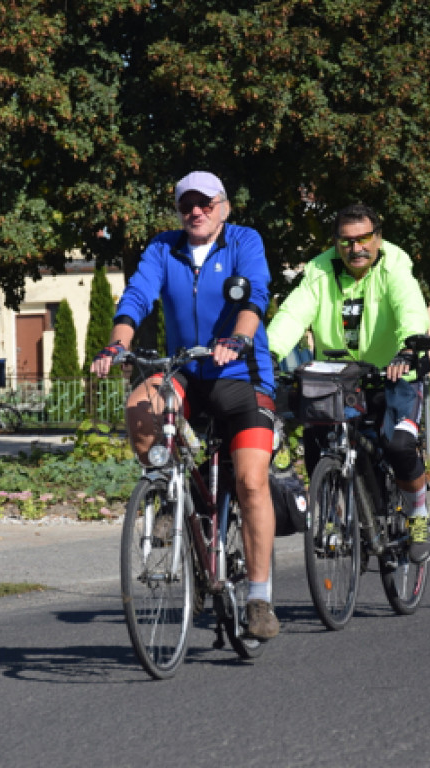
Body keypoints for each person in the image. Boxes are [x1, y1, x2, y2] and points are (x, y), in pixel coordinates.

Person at [91, 170, 280, 640]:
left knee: (251, 482)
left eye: (206, 204)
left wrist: (239, 338)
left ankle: (259, 597)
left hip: (241, 376)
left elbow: (256, 293)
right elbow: (137, 296)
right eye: (186, 205)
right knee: (141, 402)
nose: (196, 212)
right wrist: (117, 344)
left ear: (223, 206)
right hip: (187, 372)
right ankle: (167, 491)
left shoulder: (243, 241)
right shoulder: (162, 248)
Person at [267, 203, 430, 563]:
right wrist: (266, 354)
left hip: (394, 374)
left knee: (400, 444)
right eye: (346, 241)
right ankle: (333, 518)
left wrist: (409, 349)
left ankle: (418, 516)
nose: (355, 249)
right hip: (338, 380)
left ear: (378, 237)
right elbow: (292, 314)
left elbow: (410, 308)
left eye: (363, 239)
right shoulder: (319, 271)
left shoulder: (394, 266)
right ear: (335, 242)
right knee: (319, 442)